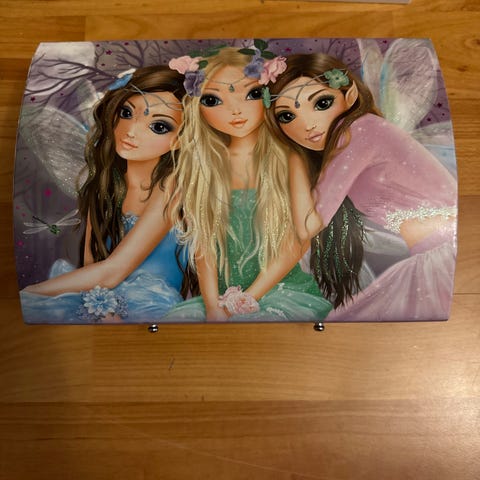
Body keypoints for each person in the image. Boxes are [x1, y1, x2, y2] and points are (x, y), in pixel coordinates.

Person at [266, 52, 457, 321]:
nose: (307, 125)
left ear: (350, 95)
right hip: (434, 255)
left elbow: (308, 224)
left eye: (322, 103)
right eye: (287, 116)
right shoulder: (354, 136)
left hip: (448, 253)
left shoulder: (359, 130)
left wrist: (293, 157)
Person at [164, 45, 332, 322]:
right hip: (219, 298)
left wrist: (245, 299)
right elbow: (203, 246)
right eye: (212, 100)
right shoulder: (204, 165)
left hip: (280, 290)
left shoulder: (287, 158)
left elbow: (297, 242)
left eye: (252, 94)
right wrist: (213, 307)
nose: (235, 110)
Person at [20, 65, 195, 323]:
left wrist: (30, 292)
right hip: (102, 298)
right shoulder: (104, 184)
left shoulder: (172, 187)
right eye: (126, 113)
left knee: (33, 303)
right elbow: (92, 264)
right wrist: (100, 309)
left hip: (151, 305)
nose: (131, 131)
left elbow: (114, 270)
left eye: (158, 126)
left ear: (180, 140)